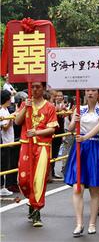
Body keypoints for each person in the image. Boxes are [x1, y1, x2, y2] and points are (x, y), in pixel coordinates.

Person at [65, 89, 99, 237]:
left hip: (94, 147)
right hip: (79, 149)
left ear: (98, 93)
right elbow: (70, 129)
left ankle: (92, 223)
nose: (90, 93)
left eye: (93, 90)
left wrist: (85, 137)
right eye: (88, 90)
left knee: (94, 188)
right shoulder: (79, 109)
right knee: (77, 187)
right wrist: (74, 119)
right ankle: (79, 223)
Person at [14, 82, 59, 227]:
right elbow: (17, 121)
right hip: (26, 145)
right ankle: (31, 201)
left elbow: (52, 129)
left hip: (43, 146)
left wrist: (37, 132)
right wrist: (25, 107)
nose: (34, 89)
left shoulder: (50, 107)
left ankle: (36, 211)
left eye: (38, 87)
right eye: (32, 87)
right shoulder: (25, 104)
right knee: (23, 180)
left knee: (39, 179)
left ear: (44, 88)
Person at [0, 90, 16, 196]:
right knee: (4, 165)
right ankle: (2, 187)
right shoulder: (2, 111)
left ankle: (4, 186)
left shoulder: (5, 109)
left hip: (9, 140)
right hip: (5, 141)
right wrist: (11, 118)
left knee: (7, 164)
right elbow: (5, 127)